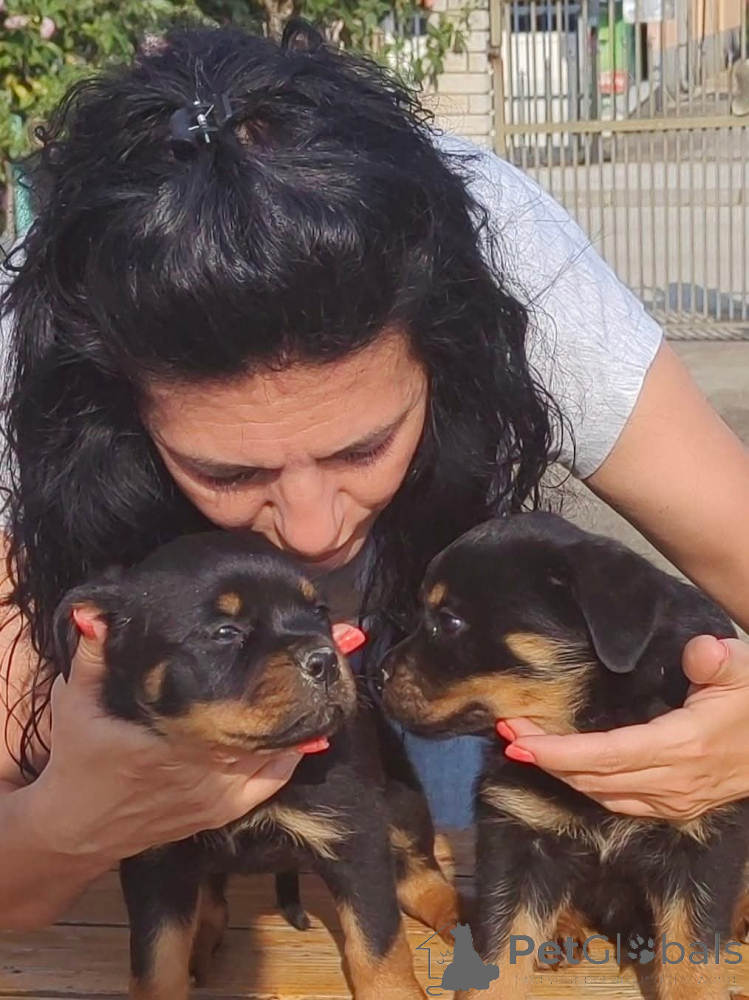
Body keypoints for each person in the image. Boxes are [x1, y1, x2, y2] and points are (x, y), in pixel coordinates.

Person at [1, 21, 749, 933]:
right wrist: (61, 825)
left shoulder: (508, 264)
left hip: (445, 652)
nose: (313, 532)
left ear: (451, 352)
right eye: (226, 470)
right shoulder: (33, 375)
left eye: (362, 449)